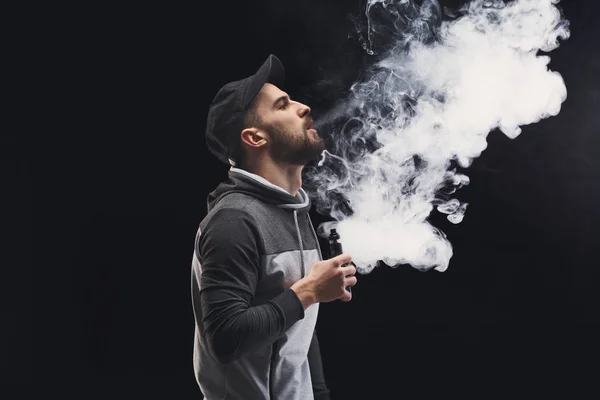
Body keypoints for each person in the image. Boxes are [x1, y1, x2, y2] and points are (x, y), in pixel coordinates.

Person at [190, 54, 358, 400]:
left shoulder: (294, 211)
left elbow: (298, 329)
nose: (303, 107)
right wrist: (310, 291)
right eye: (283, 105)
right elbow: (225, 338)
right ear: (254, 138)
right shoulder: (234, 220)